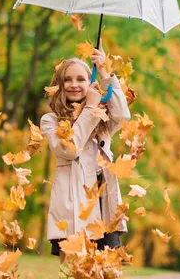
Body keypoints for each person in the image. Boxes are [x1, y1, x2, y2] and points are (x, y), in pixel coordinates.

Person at [40, 42, 131, 263]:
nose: (74, 84)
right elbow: (69, 149)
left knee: (105, 271)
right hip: (73, 208)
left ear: (88, 83)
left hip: (103, 206)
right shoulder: (50, 120)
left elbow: (122, 114)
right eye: (67, 80)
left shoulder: (101, 118)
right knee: (75, 270)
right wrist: (90, 108)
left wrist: (104, 72)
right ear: (59, 85)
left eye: (81, 79)